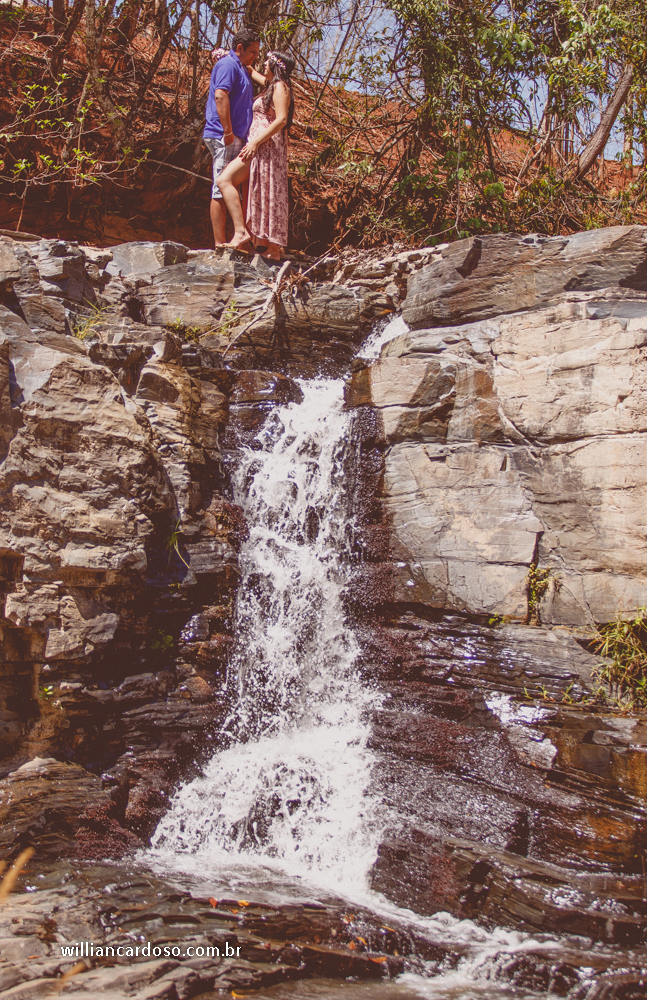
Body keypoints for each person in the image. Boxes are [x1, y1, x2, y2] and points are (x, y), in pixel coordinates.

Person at [217, 51, 295, 261]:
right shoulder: (272, 84)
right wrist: (229, 54)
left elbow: (281, 120)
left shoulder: (279, 87)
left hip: (264, 146)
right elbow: (252, 72)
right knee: (263, 189)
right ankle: (267, 246)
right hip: (259, 146)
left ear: (274, 65)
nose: (263, 64)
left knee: (226, 180)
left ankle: (250, 237)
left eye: (267, 62)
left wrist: (255, 142)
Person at [203, 28, 260, 247]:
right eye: (253, 51)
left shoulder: (242, 67)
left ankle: (238, 239)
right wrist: (228, 132)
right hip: (224, 135)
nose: (255, 55)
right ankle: (219, 243)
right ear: (239, 48)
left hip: (236, 136)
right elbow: (220, 95)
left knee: (230, 186)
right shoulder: (228, 64)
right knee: (221, 186)